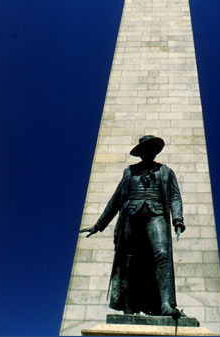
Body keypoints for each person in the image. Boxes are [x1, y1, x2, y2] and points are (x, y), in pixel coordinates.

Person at [80, 135, 185, 317]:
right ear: (140, 153)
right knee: (128, 262)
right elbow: (115, 200)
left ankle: (166, 304)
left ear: (155, 151)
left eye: (151, 149)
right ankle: (128, 306)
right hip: (131, 216)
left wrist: (178, 219)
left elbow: (175, 196)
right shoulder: (129, 172)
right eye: (145, 149)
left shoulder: (166, 171)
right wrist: (99, 225)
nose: (148, 152)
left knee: (162, 255)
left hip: (156, 214)